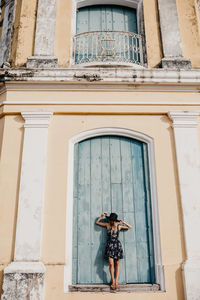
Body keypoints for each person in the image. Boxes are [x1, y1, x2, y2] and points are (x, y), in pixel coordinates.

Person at [96, 212, 132, 290]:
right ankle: (112, 281)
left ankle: (116, 281)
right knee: (111, 264)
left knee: (117, 263)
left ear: (115, 220)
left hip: (117, 245)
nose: (111, 221)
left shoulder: (119, 226)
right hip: (109, 245)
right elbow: (97, 222)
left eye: (112, 220)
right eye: (110, 220)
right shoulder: (107, 225)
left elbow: (130, 227)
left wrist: (123, 222)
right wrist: (101, 216)